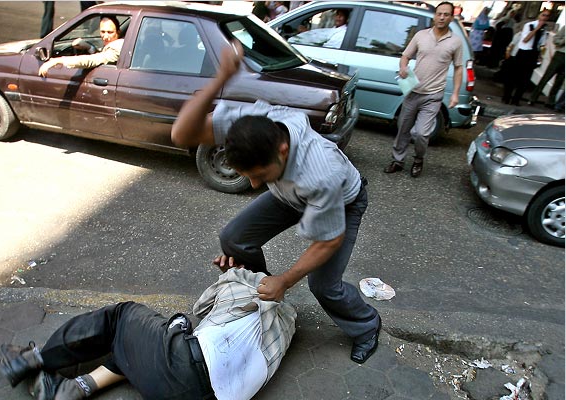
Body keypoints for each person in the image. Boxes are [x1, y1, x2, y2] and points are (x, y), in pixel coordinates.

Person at [171, 42, 382, 365]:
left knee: (323, 285)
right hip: (289, 192)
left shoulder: (320, 173)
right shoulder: (253, 123)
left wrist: (285, 280)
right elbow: (181, 134)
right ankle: (263, 290)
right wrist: (220, 77)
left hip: (343, 200)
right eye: (247, 176)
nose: (254, 185)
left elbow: (328, 241)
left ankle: (366, 326)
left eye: (259, 175)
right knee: (234, 238)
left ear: (282, 150)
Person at [0, 267, 296, 400]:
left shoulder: (244, 287)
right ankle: (74, 389)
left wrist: (231, 272)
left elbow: (201, 307)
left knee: (123, 318)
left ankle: (35, 359)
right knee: (138, 352)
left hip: (184, 369)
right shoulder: (286, 330)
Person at [383, 1, 463, 178]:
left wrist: (456, 93)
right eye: (439, 13)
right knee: (403, 128)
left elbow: (458, 68)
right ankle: (397, 160)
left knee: (421, 133)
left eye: (446, 14)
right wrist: (403, 67)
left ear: (451, 17)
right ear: (434, 16)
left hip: (433, 95)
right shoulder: (421, 35)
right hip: (413, 91)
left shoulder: (456, 42)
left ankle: (418, 159)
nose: (442, 17)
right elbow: (405, 56)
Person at [38, 15, 124, 77]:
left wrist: (58, 60)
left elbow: (93, 60)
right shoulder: (121, 43)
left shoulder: (117, 47)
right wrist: (90, 48)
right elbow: (102, 55)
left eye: (110, 32)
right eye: (102, 32)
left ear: (118, 32)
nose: (105, 37)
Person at [502, 9, 550, 106]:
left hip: (533, 54)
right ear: (539, 16)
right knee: (514, 76)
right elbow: (525, 39)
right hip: (523, 52)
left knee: (524, 79)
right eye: (543, 15)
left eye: (547, 16)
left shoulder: (544, 29)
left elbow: (542, 44)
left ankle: (516, 99)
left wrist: (540, 55)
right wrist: (536, 29)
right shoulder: (530, 25)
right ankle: (506, 97)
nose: (544, 18)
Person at [529, 25, 565, 108]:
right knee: (547, 76)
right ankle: (533, 97)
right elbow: (556, 39)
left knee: (559, 80)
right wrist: (563, 41)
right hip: (560, 54)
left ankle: (550, 101)